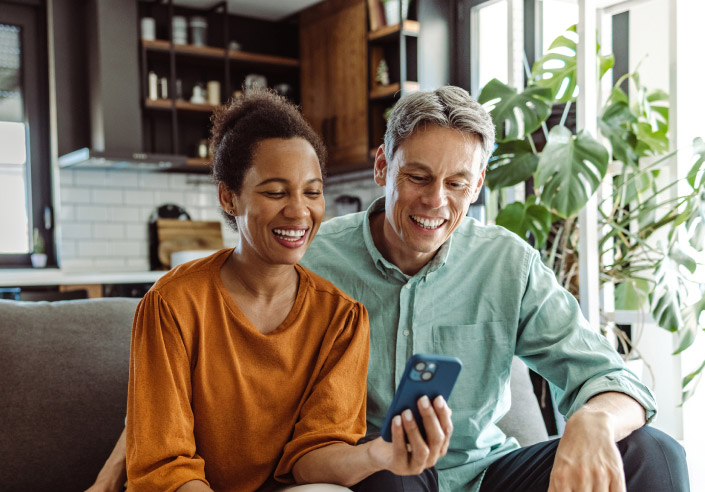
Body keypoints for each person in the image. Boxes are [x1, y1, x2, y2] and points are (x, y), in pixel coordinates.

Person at [89, 86, 689, 492]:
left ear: (479, 185)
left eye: (458, 182)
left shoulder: (508, 263)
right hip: (382, 471)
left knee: (657, 454)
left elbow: (615, 378)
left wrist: (590, 422)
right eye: (418, 177)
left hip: (487, 471)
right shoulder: (303, 253)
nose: (436, 201)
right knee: (388, 478)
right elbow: (191, 359)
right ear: (383, 168)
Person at [114, 89, 453, 492]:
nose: (298, 211)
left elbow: (314, 457)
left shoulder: (342, 318)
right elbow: (162, 466)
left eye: (312, 192)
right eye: (275, 192)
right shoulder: (173, 304)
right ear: (229, 197)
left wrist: (379, 455)